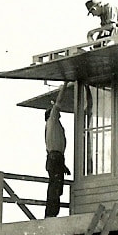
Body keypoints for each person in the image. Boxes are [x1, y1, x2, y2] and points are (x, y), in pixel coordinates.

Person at [45, 82, 71, 218]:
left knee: (56, 187)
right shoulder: (52, 121)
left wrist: (63, 165)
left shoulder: (53, 126)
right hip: (55, 158)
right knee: (55, 187)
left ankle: (52, 212)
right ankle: (51, 213)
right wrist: (64, 86)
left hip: (56, 158)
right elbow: (58, 103)